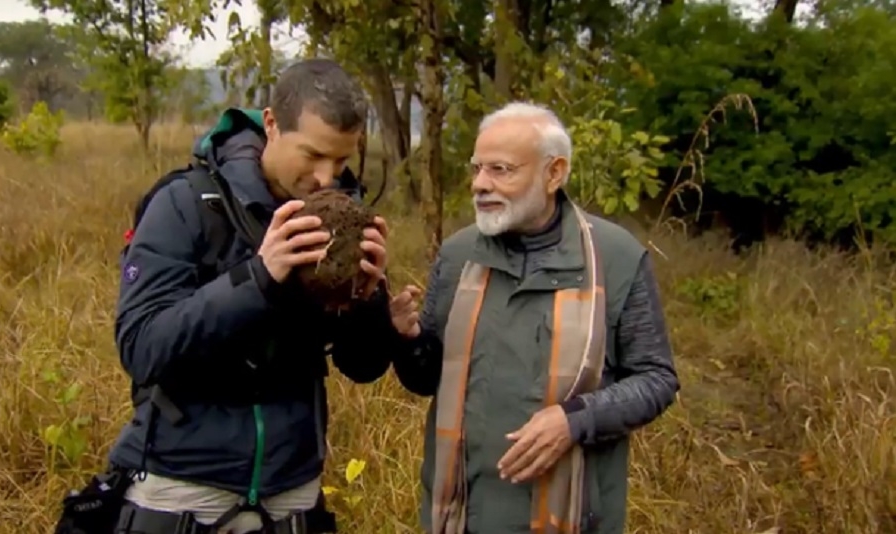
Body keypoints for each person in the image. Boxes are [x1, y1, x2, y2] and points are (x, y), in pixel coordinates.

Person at [106, 58, 395, 534]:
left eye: (341, 161)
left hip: (292, 490)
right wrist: (259, 277)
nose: (327, 178)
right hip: (181, 486)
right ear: (272, 124)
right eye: (312, 155)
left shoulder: (345, 216)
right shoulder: (185, 203)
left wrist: (367, 299)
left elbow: (364, 366)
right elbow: (141, 347)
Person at [387, 102, 681, 534]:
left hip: (572, 519)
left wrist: (576, 420)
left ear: (554, 173)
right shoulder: (458, 256)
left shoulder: (615, 259)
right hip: (461, 515)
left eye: (501, 170)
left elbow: (656, 379)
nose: (480, 184)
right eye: (477, 168)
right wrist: (409, 340)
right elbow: (426, 379)